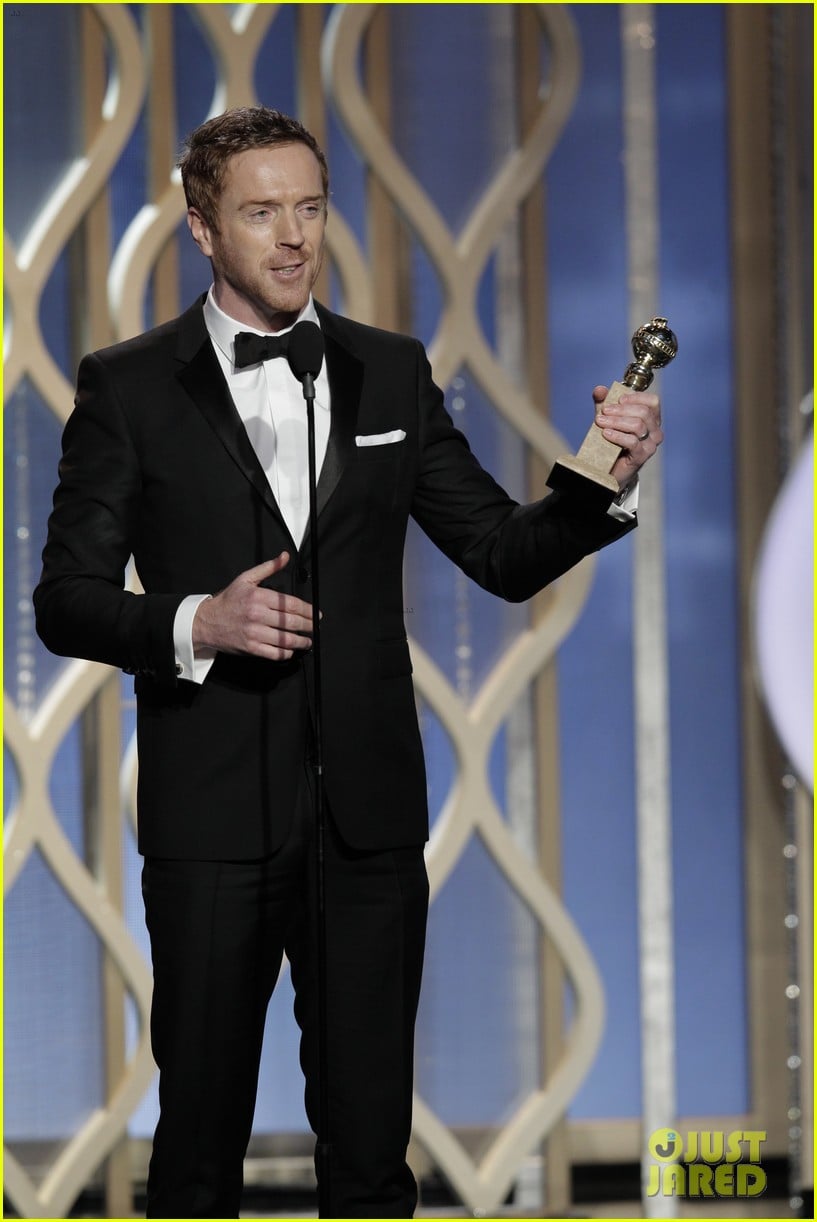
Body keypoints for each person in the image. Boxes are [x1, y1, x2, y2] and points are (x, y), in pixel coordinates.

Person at [34, 106, 663, 1219]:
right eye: (261, 213)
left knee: (372, 1156)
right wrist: (198, 623)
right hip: (210, 821)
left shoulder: (389, 370)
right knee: (197, 1155)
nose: (293, 238)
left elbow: (500, 554)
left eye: (310, 208)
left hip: (367, 825)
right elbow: (65, 602)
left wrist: (602, 475)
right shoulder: (128, 387)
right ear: (202, 229)